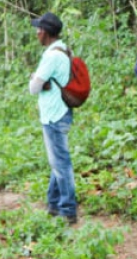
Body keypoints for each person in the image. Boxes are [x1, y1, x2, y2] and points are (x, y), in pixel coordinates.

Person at [30, 12, 78, 224]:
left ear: (45, 32)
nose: (36, 33)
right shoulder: (64, 49)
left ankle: (68, 209)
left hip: (54, 113)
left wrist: (36, 80)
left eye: (38, 30)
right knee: (57, 160)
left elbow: (33, 87)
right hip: (62, 111)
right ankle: (53, 202)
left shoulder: (51, 56)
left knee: (61, 162)